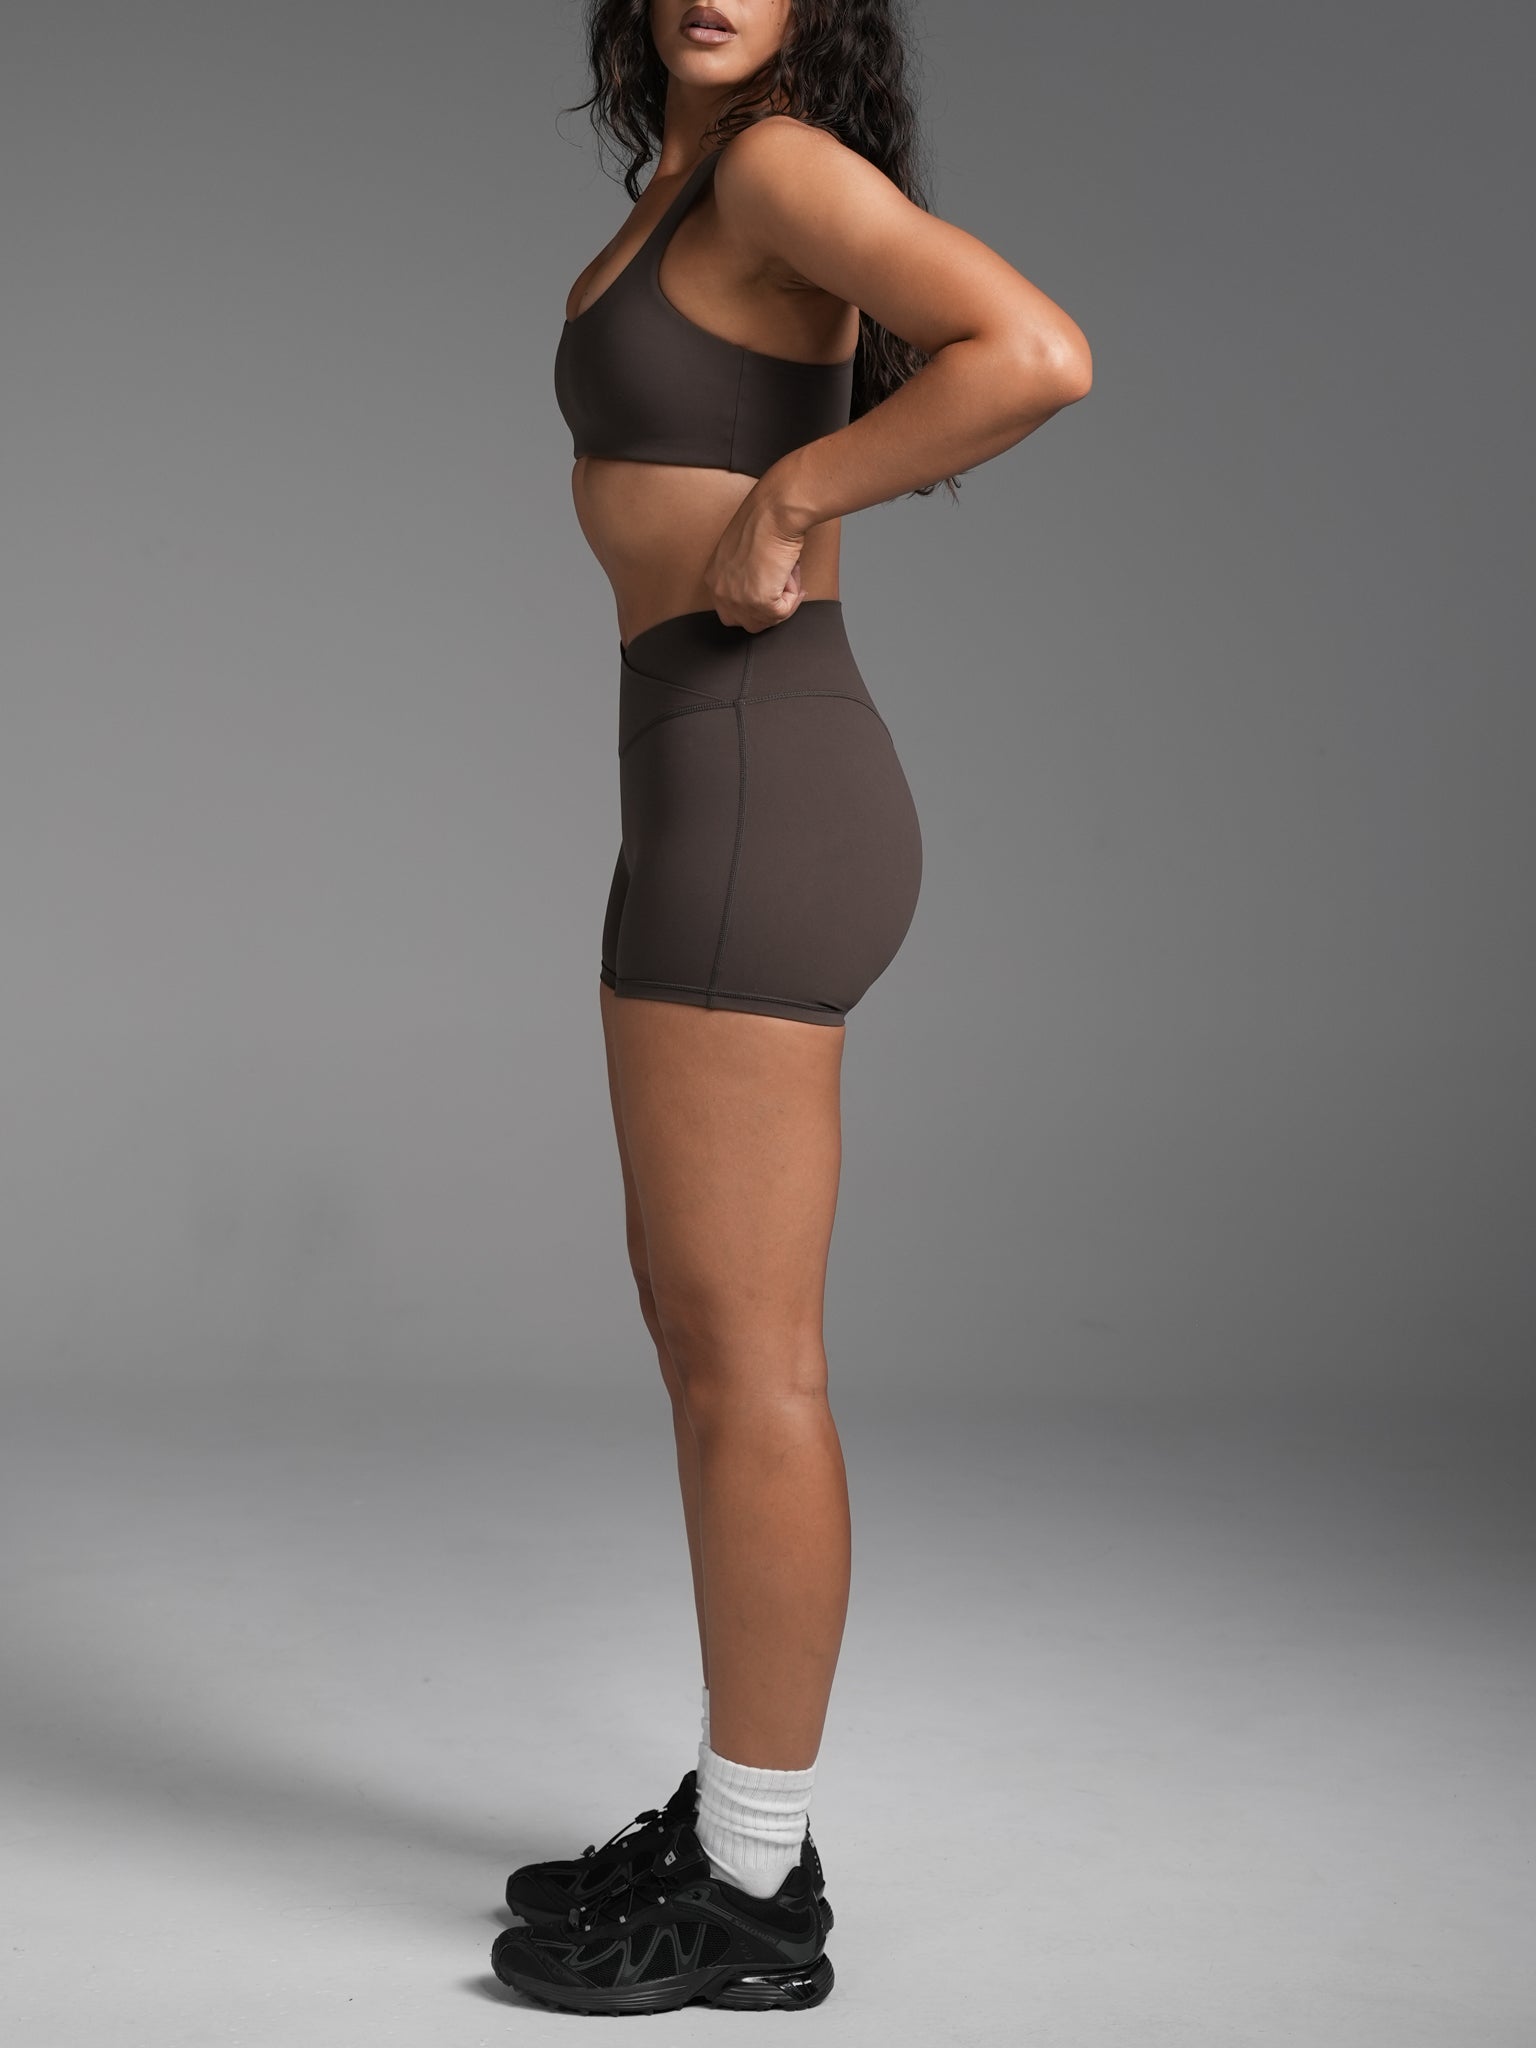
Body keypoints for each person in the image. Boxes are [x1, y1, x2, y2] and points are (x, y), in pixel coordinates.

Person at [492, 0, 1091, 2015]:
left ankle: (755, 1892)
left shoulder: (771, 164)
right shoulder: (688, 181)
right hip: (697, 774)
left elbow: (1036, 351)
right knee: (701, 1337)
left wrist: (793, 494)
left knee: (750, 1358)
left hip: (763, 775)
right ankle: (736, 1823)